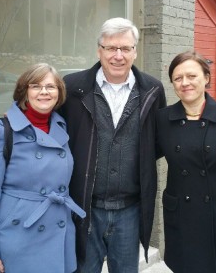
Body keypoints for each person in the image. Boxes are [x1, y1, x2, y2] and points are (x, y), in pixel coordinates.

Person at [60, 17, 167, 272]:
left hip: (130, 210)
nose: (118, 55)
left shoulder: (152, 90)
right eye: (111, 48)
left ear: (135, 52)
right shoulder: (73, 88)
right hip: (84, 207)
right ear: (99, 50)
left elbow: (158, 142)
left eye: (126, 48)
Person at [0, 63, 85, 273]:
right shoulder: (1, 131)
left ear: (59, 93)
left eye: (51, 87)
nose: (44, 92)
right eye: (36, 86)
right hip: (19, 235)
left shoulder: (62, 127)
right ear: (24, 91)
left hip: (58, 230)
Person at [156, 51, 216, 273]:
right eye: (178, 78)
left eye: (192, 76)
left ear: (206, 78)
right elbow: (143, 159)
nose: (185, 83)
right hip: (183, 216)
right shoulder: (162, 119)